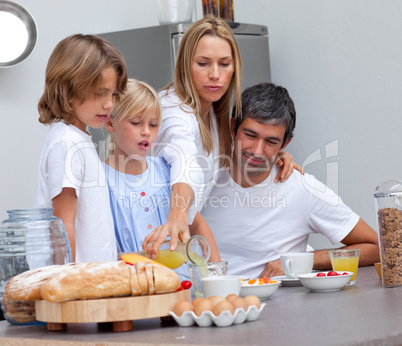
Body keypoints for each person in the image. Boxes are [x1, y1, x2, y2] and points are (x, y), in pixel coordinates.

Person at [143, 15, 301, 258]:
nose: (215, 74)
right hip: (154, 239)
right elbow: (185, 161)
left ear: (234, 68)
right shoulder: (174, 111)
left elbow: (228, 158)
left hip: (177, 244)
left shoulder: (215, 113)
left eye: (224, 64)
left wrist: (274, 154)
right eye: (203, 63)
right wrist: (177, 215)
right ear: (186, 65)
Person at [201, 82, 380, 278]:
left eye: (271, 142)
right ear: (233, 127)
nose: (257, 151)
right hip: (204, 304)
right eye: (250, 135)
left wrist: (302, 260)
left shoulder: (301, 188)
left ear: (285, 143)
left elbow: (376, 247)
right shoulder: (203, 177)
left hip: (275, 305)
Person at [102, 79, 220, 267]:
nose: (146, 132)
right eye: (136, 123)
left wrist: (217, 276)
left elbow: (196, 224)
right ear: (110, 123)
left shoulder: (168, 170)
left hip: (182, 289)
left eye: (154, 124)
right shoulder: (100, 180)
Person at [34, 34, 128, 262]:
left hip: (92, 281)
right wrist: (69, 283)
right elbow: (62, 227)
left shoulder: (78, 138)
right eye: (100, 94)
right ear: (68, 89)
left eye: (113, 94)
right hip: (76, 285)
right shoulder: (67, 143)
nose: (109, 104)